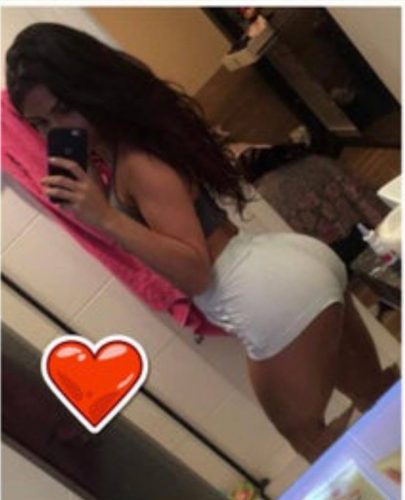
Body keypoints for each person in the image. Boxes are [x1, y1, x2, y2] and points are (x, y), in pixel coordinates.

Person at [6, 23, 398, 463]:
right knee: (381, 400)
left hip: (266, 299)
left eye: (63, 110)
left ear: (88, 87)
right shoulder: (134, 141)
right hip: (289, 268)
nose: (56, 131)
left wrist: (106, 217)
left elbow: (196, 272)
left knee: (320, 450)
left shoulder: (137, 161)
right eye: (41, 124)